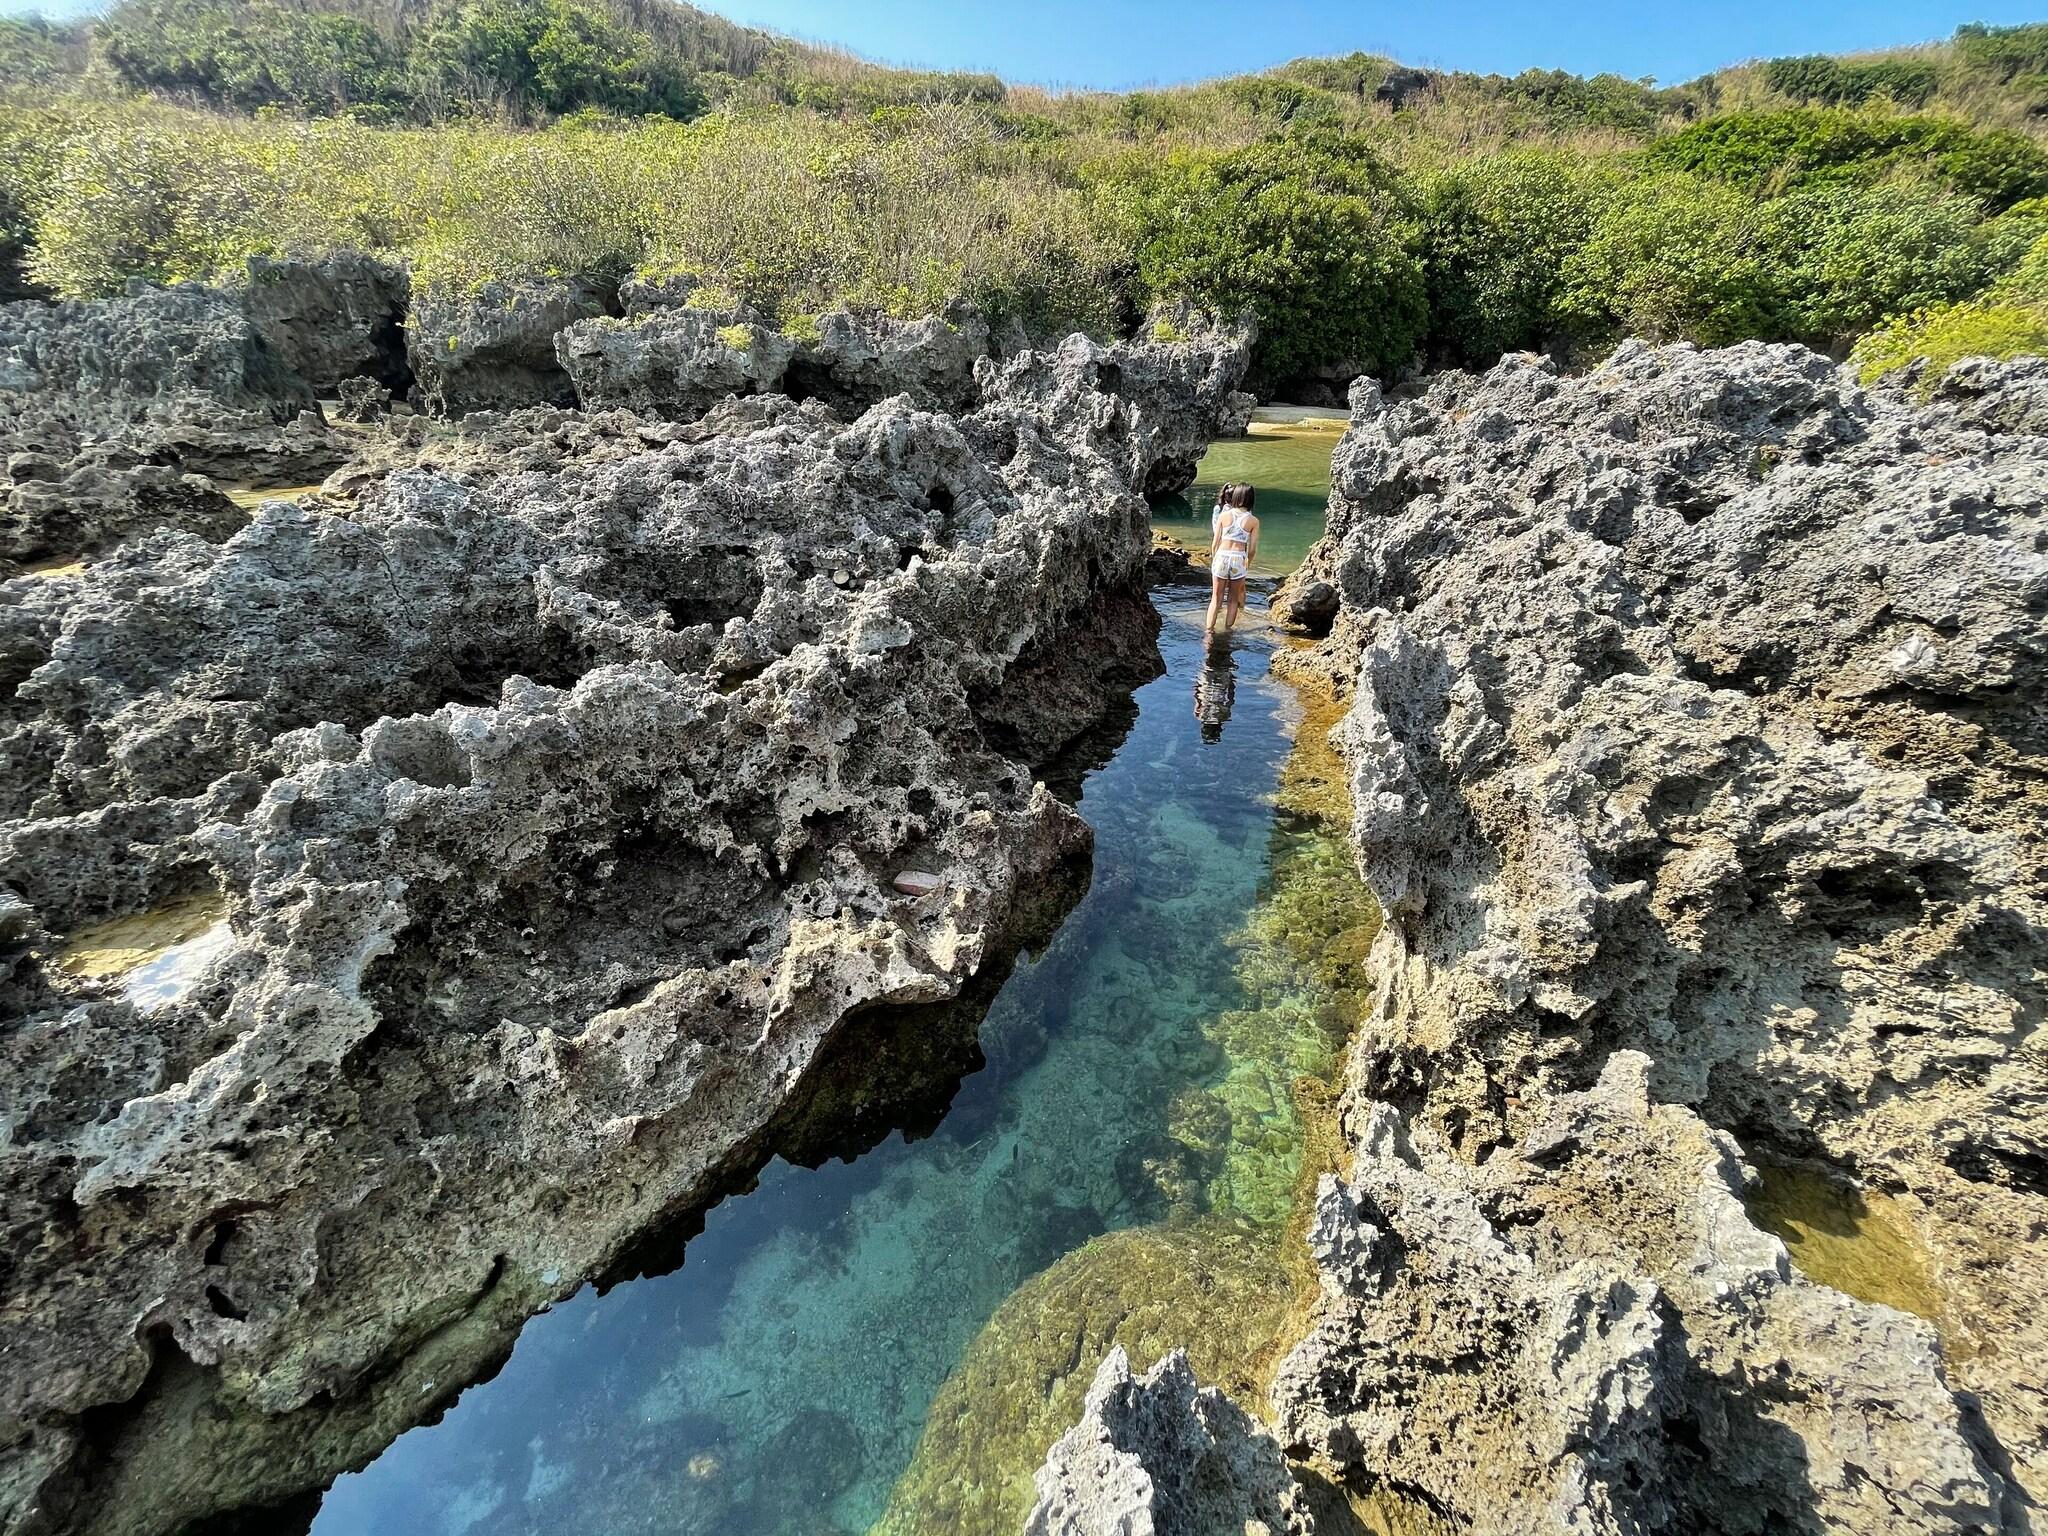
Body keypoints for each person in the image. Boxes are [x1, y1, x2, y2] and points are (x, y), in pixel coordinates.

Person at [1204, 482, 1259, 638]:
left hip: (1222, 555)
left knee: (1216, 598)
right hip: (1238, 558)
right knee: (1233, 600)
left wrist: (1215, 560)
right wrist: (1248, 562)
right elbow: (1253, 548)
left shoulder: (1223, 515)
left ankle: (1208, 633)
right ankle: (1227, 632)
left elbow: (1215, 542)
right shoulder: (1253, 521)